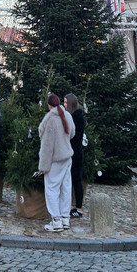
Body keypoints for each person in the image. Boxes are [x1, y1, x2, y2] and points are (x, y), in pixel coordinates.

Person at [37, 92, 74, 232]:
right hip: (67, 156)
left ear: (49, 105)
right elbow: (72, 133)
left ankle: (56, 220)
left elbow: (46, 146)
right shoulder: (67, 115)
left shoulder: (50, 120)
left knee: (52, 189)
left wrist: (43, 166)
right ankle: (65, 218)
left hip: (55, 160)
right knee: (66, 188)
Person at [65, 93, 86, 218]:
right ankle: (76, 207)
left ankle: (78, 208)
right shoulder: (75, 116)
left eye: (66, 102)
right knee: (74, 180)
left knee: (76, 180)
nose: (64, 105)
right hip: (74, 150)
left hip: (74, 152)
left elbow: (73, 136)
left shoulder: (75, 118)